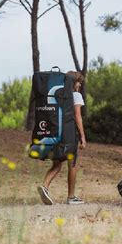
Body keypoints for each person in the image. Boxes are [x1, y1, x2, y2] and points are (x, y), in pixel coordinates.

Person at [37, 71, 87, 205]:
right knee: (73, 165)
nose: (80, 85)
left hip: (56, 133)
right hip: (70, 135)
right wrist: (82, 136)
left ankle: (45, 187)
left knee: (57, 164)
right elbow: (77, 116)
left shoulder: (58, 94)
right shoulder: (75, 95)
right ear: (73, 82)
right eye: (79, 82)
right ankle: (71, 197)